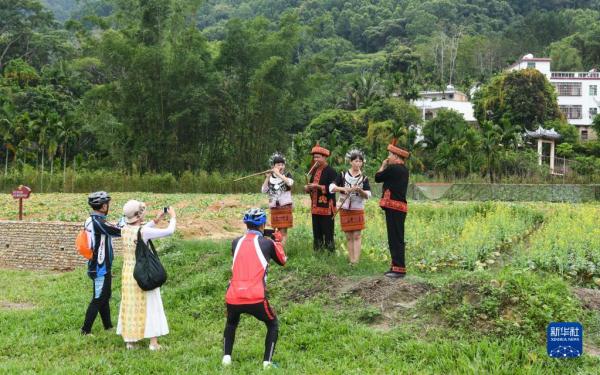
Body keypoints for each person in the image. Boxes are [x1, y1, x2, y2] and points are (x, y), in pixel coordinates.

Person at [222, 208, 287, 369]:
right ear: (263, 225)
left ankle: (226, 358)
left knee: (231, 323)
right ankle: (267, 363)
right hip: (255, 296)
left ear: (246, 225)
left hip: (233, 295)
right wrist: (277, 241)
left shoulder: (235, 242)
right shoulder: (268, 243)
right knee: (272, 324)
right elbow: (283, 260)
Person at [116, 200, 176, 350]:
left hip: (128, 272)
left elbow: (142, 228)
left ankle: (130, 341)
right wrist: (173, 217)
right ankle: (153, 343)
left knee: (130, 305)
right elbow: (169, 231)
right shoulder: (143, 232)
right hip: (143, 271)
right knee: (151, 304)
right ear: (139, 215)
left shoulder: (124, 228)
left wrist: (157, 219)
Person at [81, 191, 122, 335]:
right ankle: (85, 330)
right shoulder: (98, 222)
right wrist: (128, 220)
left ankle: (108, 326)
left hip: (101, 266)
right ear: (103, 206)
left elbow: (111, 227)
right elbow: (118, 231)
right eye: (107, 204)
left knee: (105, 296)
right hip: (100, 267)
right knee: (98, 298)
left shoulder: (94, 219)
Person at [375, 139, 410, 278]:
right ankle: (396, 266)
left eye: (389, 155)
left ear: (396, 156)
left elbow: (377, 177)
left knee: (395, 238)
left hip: (394, 208)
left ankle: (399, 269)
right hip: (399, 208)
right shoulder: (404, 170)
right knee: (397, 238)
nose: (388, 157)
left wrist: (383, 165)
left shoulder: (393, 168)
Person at [330, 149, 371, 264]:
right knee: (348, 235)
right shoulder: (343, 175)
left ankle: (356, 261)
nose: (358, 164)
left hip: (357, 208)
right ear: (350, 162)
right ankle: (351, 260)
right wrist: (344, 189)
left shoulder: (364, 178)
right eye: (356, 161)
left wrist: (360, 191)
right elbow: (331, 187)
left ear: (362, 163)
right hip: (345, 208)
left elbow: (368, 194)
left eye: (360, 161)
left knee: (357, 235)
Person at [304, 142, 337, 252]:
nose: (315, 159)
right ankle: (318, 251)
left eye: (318, 157)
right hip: (315, 206)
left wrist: (317, 186)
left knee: (327, 230)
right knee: (316, 230)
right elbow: (312, 187)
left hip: (327, 206)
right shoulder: (314, 171)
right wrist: (308, 188)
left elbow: (333, 188)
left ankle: (329, 252)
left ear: (324, 157)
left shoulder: (331, 171)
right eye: (314, 157)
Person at [261, 152, 294, 245]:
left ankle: (281, 252)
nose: (281, 166)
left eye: (282, 164)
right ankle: (276, 250)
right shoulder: (270, 177)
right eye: (278, 164)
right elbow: (263, 190)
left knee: (283, 231)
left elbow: (290, 183)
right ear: (273, 166)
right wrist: (267, 178)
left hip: (285, 207)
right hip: (275, 208)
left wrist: (278, 174)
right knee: (276, 231)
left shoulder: (287, 175)